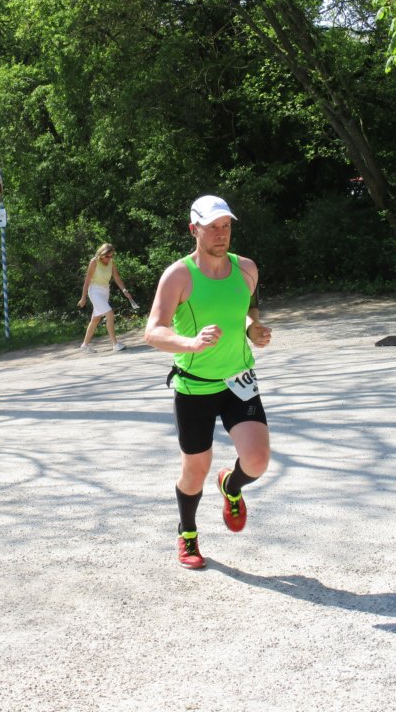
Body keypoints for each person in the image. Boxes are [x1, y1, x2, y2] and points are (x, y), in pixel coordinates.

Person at [144, 195, 272, 570]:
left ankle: (231, 486)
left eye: (226, 226)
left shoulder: (246, 269)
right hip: (194, 385)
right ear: (193, 230)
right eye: (212, 227)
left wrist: (253, 329)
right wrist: (191, 343)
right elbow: (153, 331)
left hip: (238, 379)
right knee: (195, 471)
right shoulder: (179, 276)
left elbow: (247, 309)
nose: (221, 233)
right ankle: (187, 533)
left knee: (257, 461)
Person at [77, 243, 132, 352]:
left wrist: (125, 291)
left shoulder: (111, 263)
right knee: (110, 314)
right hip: (94, 291)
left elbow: (117, 278)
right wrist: (83, 297)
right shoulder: (94, 262)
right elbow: (87, 281)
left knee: (95, 319)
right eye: (107, 256)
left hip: (105, 291)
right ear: (101, 254)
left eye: (111, 256)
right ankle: (115, 344)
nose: (109, 258)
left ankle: (85, 345)